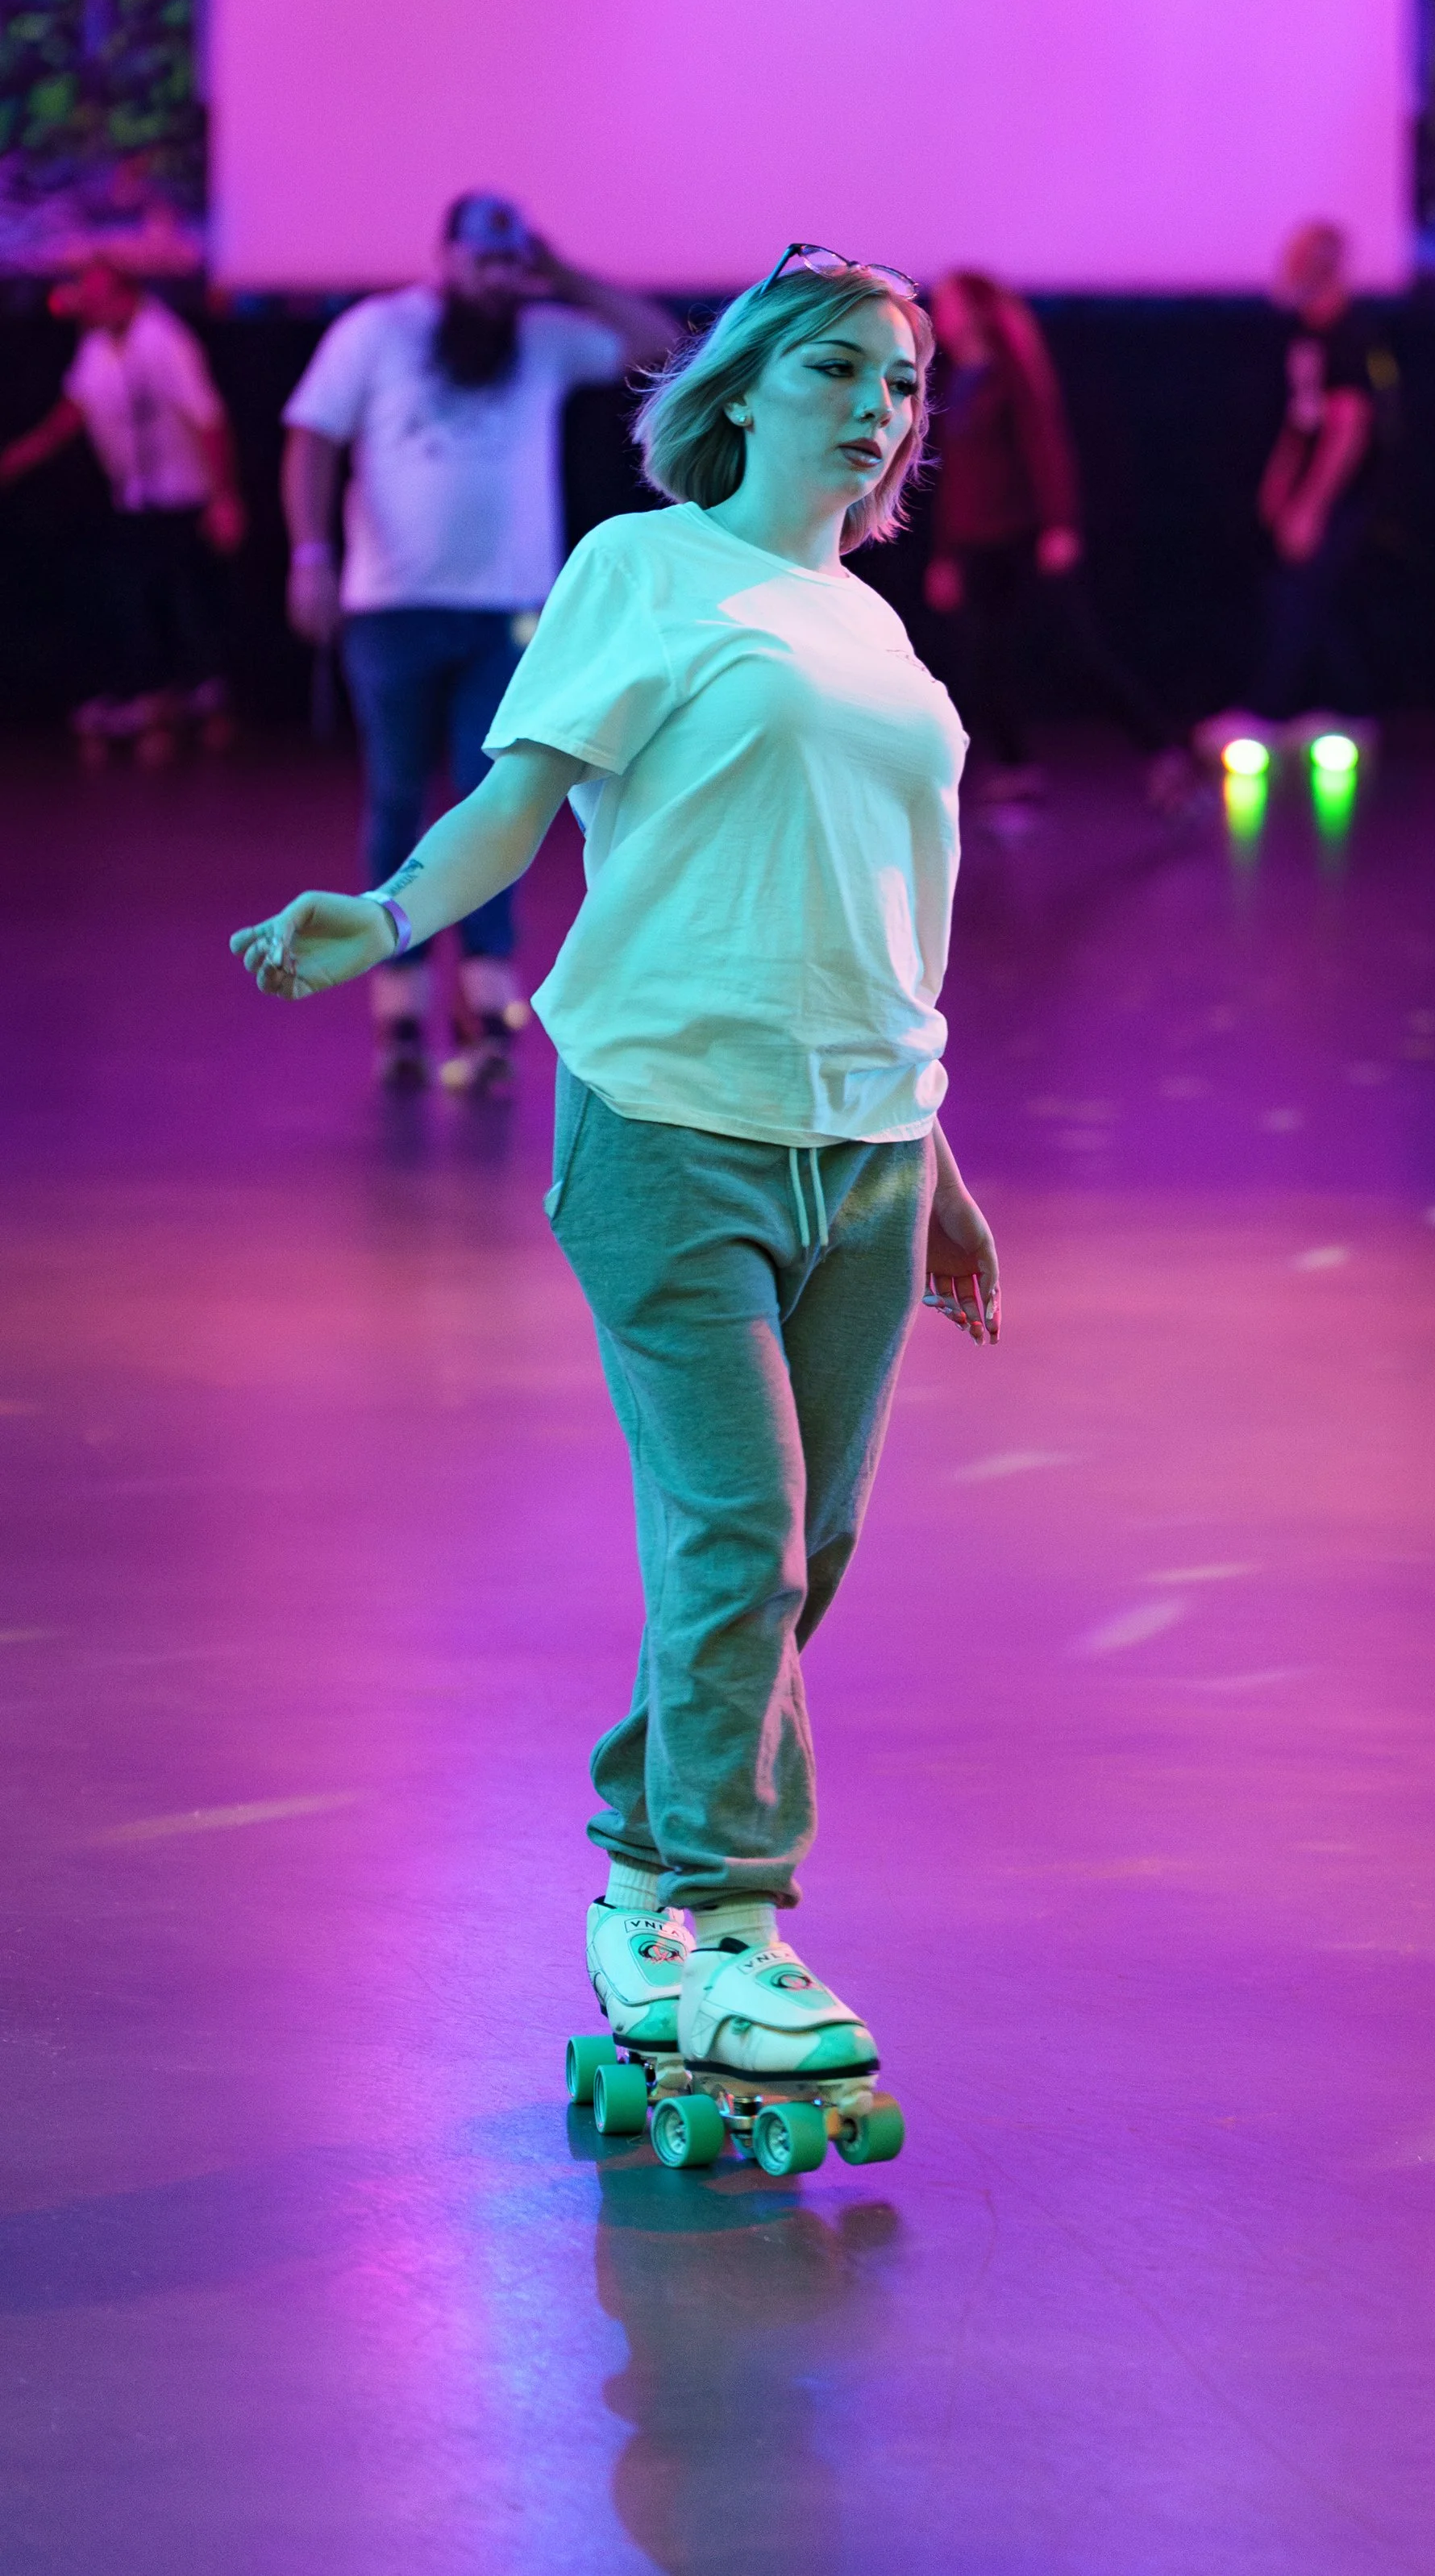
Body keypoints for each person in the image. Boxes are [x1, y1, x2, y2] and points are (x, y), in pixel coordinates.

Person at [231, 247, 1000, 2116]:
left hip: (873, 1150)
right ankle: (723, 1925)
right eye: (837, 370)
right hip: (668, 1125)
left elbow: (881, 924)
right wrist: (397, 911)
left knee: (803, 1550)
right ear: (741, 388)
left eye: (901, 384)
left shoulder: (878, 634)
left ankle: (645, 1858)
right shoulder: (639, 570)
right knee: (740, 1524)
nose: (876, 409)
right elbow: (518, 794)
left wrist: (943, 1165)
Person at [281, 192, 678, 1091]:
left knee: (496, 798)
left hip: (506, 612)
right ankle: (399, 999)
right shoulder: (378, 333)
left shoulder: (539, 338)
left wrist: (564, 273)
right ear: (444, 257)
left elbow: (659, 346)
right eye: (480, 261)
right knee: (394, 794)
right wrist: (310, 553)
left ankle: (490, 1001)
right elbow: (310, 439)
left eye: (509, 264)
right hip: (390, 606)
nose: (494, 280)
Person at [924, 268, 1186, 806]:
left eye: (949, 306)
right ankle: (1017, 768)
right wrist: (946, 554)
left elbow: (1047, 450)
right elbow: (954, 477)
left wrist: (1059, 525)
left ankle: (1161, 750)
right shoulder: (954, 380)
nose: (941, 317)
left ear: (974, 311)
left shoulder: (1011, 374)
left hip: (1024, 537)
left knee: (1080, 652)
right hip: (976, 544)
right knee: (980, 660)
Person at [0, 255, 244, 761]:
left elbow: (209, 419)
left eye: (95, 295)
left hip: (182, 495)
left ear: (123, 295)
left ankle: (202, 705)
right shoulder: (97, 349)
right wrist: (16, 459)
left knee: (183, 600)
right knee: (135, 597)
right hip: (134, 497)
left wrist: (223, 497)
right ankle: (156, 701)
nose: (85, 306)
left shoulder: (166, 340)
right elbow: (72, 414)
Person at [1216, 219, 1392, 754]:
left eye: (1298, 258)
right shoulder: (1306, 333)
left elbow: (1347, 428)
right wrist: (1279, 480)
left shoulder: (1350, 335)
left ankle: (1267, 710)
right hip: (1311, 487)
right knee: (1314, 597)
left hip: (1346, 491)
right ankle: (1348, 709)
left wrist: (1311, 506)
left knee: (1296, 594)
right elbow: (1304, 417)